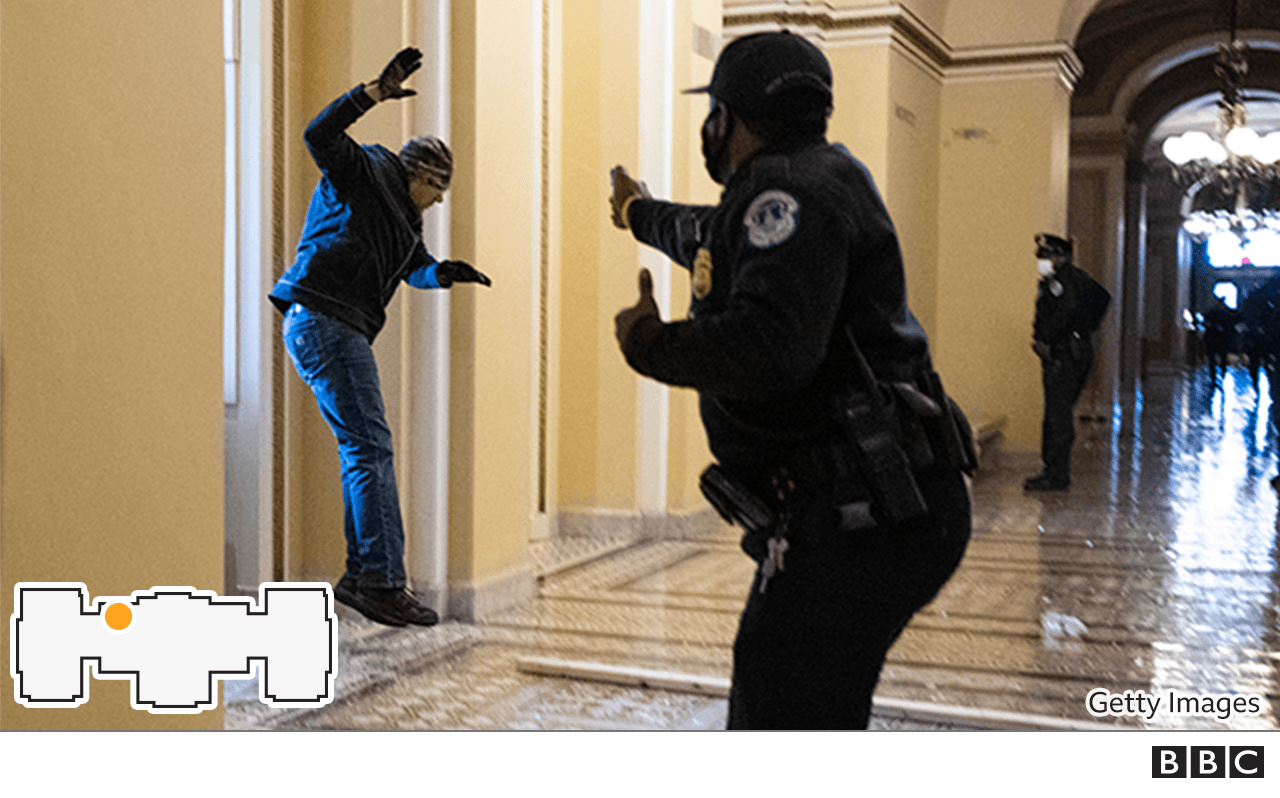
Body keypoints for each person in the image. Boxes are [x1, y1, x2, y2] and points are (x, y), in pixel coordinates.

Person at [608, 32, 973, 729]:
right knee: (797, 700)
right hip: (872, 509)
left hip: (858, 518)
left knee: (783, 713)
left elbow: (768, 351)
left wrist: (650, 343)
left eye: (713, 114)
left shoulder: (790, 193)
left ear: (728, 117)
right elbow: (712, 237)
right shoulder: (808, 180)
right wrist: (637, 213)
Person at [269, 48, 490, 627]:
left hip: (331, 325)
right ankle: (383, 583)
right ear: (420, 174)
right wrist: (371, 93)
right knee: (371, 447)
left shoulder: (406, 219)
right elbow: (318, 133)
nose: (441, 199)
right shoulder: (366, 170)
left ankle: (364, 574)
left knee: (361, 448)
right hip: (323, 317)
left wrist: (442, 273)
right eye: (438, 187)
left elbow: (411, 265)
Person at [1025, 234, 1110, 492]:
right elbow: (1103, 299)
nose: (1042, 261)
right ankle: (1053, 471)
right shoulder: (1076, 278)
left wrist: (1046, 338)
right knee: (1059, 413)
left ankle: (1056, 475)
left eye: (1046, 256)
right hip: (1074, 353)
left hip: (1064, 356)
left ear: (1060, 256)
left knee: (1057, 416)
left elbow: (1063, 312)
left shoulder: (1060, 282)